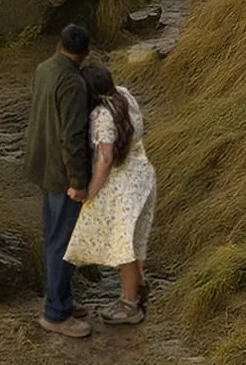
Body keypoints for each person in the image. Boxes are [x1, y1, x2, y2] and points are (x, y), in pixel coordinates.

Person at [64, 62, 157, 326]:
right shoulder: (124, 94)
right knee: (136, 239)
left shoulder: (100, 116)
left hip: (124, 184)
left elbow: (105, 158)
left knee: (123, 244)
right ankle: (138, 290)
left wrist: (90, 191)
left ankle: (129, 306)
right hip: (144, 174)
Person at [23, 24, 93, 339]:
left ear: (58, 45)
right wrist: (79, 181)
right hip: (62, 173)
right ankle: (55, 313)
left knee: (53, 236)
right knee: (62, 243)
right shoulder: (73, 83)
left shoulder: (43, 68)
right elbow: (73, 138)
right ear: (86, 53)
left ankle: (61, 299)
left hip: (42, 163)